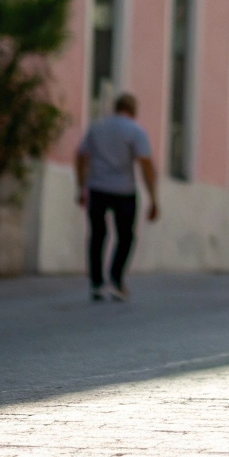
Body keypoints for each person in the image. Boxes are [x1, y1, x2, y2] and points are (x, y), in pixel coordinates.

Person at [75, 93, 159, 301]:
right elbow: (146, 165)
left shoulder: (97, 127)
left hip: (97, 188)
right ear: (133, 110)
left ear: (116, 107)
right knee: (126, 237)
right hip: (124, 191)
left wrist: (81, 187)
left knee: (97, 235)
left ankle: (96, 283)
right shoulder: (136, 130)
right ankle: (115, 278)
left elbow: (81, 156)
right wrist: (153, 198)